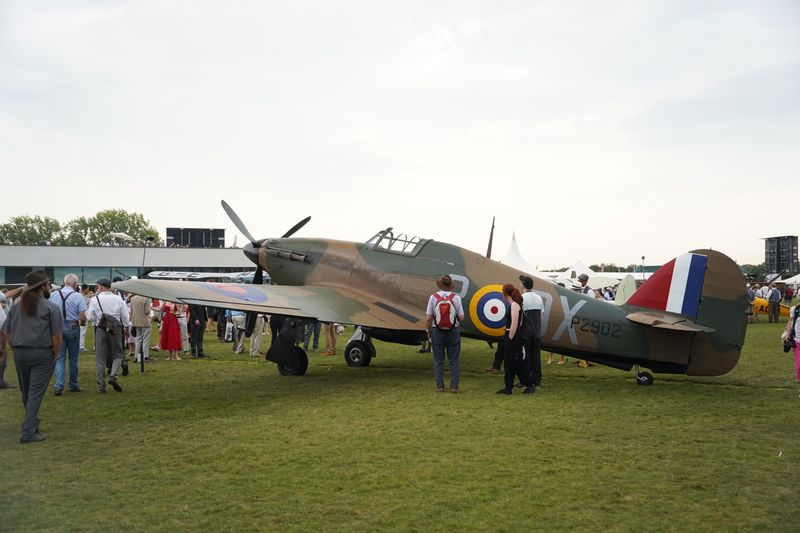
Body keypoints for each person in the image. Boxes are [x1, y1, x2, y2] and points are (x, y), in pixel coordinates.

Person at [1, 271, 63, 442]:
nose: (49, 287)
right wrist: (55, 354)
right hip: (42, 353)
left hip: (20, 353)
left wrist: (13, 346)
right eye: (47, 284)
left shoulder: (16, 306)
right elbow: (57, 336)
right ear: (43, 286)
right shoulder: (51, 307)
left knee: (27, 392)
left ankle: (32, 424)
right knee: (35, 394)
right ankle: (28, 432)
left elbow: (6, 331)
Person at [87, 278, 130, 392]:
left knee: (100, 358)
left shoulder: (95, 299)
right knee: (118, 354)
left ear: (100, 287)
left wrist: (96, 320)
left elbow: (90, 317)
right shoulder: (118, 299)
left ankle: (101, 386)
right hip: (115, 329)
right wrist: (126, 326)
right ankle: (113, 375)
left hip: (100, 329)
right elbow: (125, 316)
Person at [425, 274, 465, 393]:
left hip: (437, 331)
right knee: (454, 360)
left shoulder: (433, 297)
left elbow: (428, 318)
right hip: (453, 331)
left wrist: (428, 331)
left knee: (438, 360)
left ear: (440, 284)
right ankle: (454, 387)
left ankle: (440, 386)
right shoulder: (456, 298)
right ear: (450, 285)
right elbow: (462, 317)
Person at [49, 273, 87, 395]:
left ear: (64, 282)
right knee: (73, 358)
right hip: (72, 326)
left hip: (57, 327)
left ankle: (58, 385)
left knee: (59, 358)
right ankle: (73, 384)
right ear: (75, 284)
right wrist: (82, 322)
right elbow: (82, 316)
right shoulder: (78, 296)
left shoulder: (54, 295)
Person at [519, 275, 544, 390]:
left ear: (523, 285)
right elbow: (541, 317)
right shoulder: (539, 298)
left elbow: (520, 318)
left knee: (526, 357)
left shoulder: (521, 298)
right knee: (536, 357)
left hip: (526, 333)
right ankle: (537, 381)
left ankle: (526, 381)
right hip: (537, 333)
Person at [130, 294, 153, 362]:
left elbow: (131, 311)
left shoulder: (133, 298)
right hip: (145, 321)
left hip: (136, 321)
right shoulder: (146, 298)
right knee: (145, 340)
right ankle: (145, 357)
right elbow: (147, 311)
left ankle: (136, 357)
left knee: (138, 340)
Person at [783, 303, 800, 382]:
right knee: (799, 363)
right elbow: (791, 321)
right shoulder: (795, 309)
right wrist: (787, 334)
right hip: (797, 340)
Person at [79, 284, 92, 352]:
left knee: (82, 331)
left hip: (84, 315)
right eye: (87, 289)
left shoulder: (84, 296)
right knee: (82, 331)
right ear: (84, 289)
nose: (88, 290)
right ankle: (81, 346)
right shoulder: (81, 297)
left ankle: (81, 345)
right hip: (82, 315)